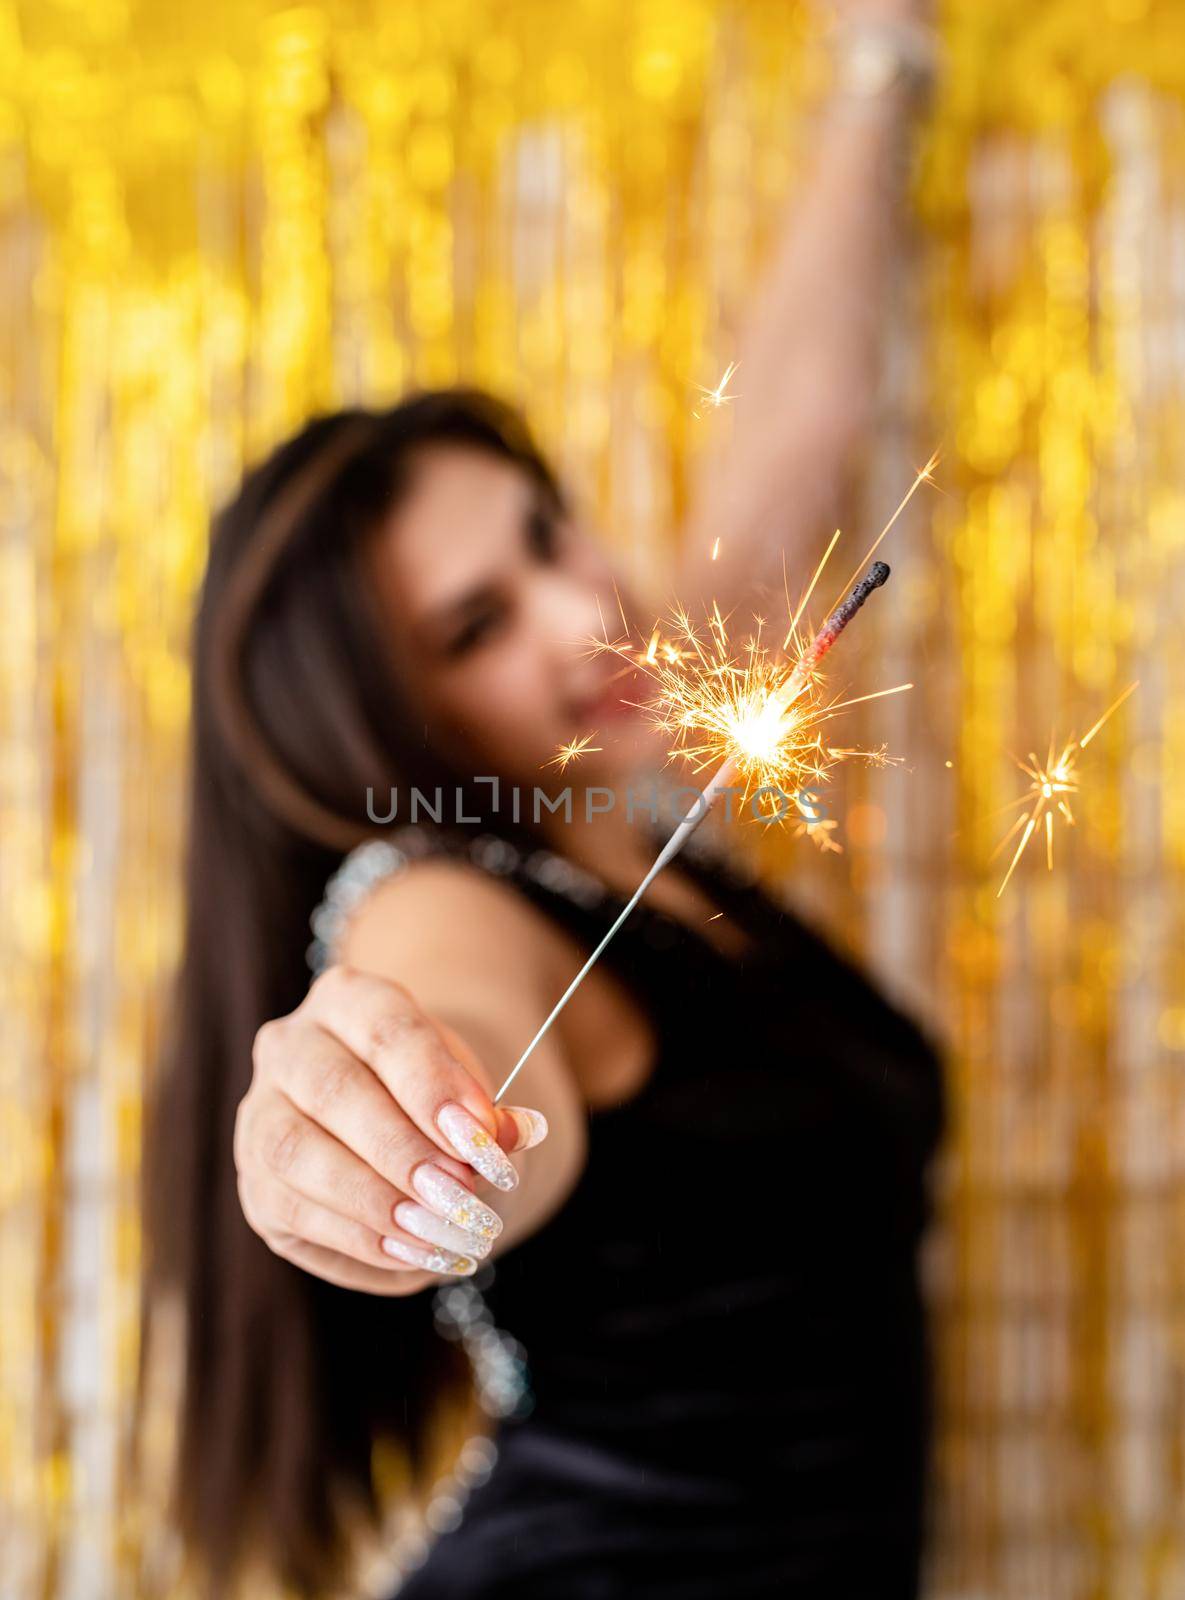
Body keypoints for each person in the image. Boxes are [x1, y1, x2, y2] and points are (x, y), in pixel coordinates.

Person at [141, 5, 945, 1596]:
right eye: (475, 626)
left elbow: (796, 434)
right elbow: (442, 1034)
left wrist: (881, 56)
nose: (582, 612)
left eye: (548, 533)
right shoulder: (437, 899)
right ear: (394, 718)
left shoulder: (638, 814)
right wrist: (365, 1133)